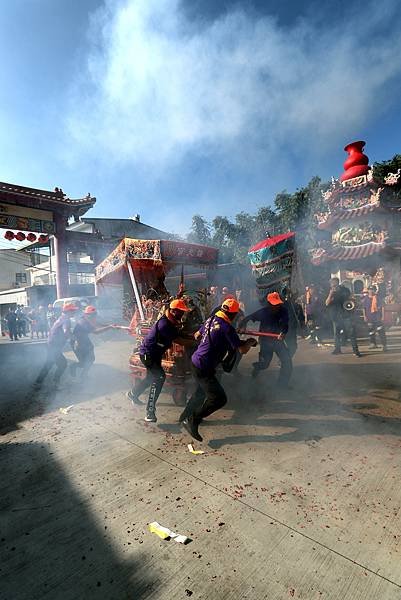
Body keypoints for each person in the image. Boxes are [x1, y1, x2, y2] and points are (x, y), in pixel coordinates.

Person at [179, 298, 257, 441]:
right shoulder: (227, 328)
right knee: (219, 398)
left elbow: (197, 334)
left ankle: (184, 416)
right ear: (233, 315)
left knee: (201, 393)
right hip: (203, 366)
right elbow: (242, 350)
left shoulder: (211, 319)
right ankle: (192, 419)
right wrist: (250, 341)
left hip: (197, 361)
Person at [126, 298, 191, 423]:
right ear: (173, 311)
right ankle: (150, 412)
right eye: (181, 312)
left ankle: (133, 394)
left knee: (150, 378)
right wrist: (197, 341)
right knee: (159, 377)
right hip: (148, 355)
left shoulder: (171, 322)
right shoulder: (165, 324)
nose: (183, 314)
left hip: (155, 354)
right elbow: (180, 341)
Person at [239, 291, 293, 386]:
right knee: (264, 364)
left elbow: (285, 324)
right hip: (265, 341)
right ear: (269, 304)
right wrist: (242, 327)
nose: (276, 306)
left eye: (278, 304)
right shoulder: (264, 312)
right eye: (274, 304)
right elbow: (247, 318)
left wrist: (283, 333)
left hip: (278, 341)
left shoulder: (283, 311)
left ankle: (282, 385)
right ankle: (257, 368)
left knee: (287, 362)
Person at [34, 303, 78, 388]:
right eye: (73, 310)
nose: (75, 312)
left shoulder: (61, 318)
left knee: (49, 364)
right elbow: (66, 331)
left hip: (51, 345)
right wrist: (74, 339)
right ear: (68, 311)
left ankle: (38, 382)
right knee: (63, 364)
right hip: (54, 346)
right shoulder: (66, 320)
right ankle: (55, 383)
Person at [70, 305, 114, 380]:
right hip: (77, 342)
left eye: (95, 314)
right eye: (93, 314)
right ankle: (73, 366)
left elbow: (97, 324)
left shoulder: (88, 319)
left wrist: (110, 325)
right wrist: (109, 327)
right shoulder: (83, 322)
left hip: (85, 341)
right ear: (87, 314)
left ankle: (84, 375)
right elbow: (96, 332)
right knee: (84, 362)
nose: (95, 316)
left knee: (91, 359)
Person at [325, 278, 361, 357]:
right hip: (335, 316)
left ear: (338, 283)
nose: (333, 285)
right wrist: (330, 294)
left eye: (334, 284)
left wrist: (352, 301)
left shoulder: (345, 290)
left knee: (351, 333)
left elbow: (351, 298)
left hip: (346, 315)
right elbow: (326, 303)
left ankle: (356, 350)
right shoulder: (330, 291)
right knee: (336, 334)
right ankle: (337, 349)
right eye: (332, 284)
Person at [362, 286, 387, 351]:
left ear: (375, 290)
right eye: (370, 290)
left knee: (381, 331)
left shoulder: (378, 298)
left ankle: (384, 345)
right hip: (369, 317)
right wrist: (364, 316)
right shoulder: (365, 299)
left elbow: (382, 307)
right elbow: (364, 308)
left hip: (377, 317)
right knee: (371, 332)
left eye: (372, 290)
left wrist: (383, 316)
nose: (371, 291)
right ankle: (373, 344)